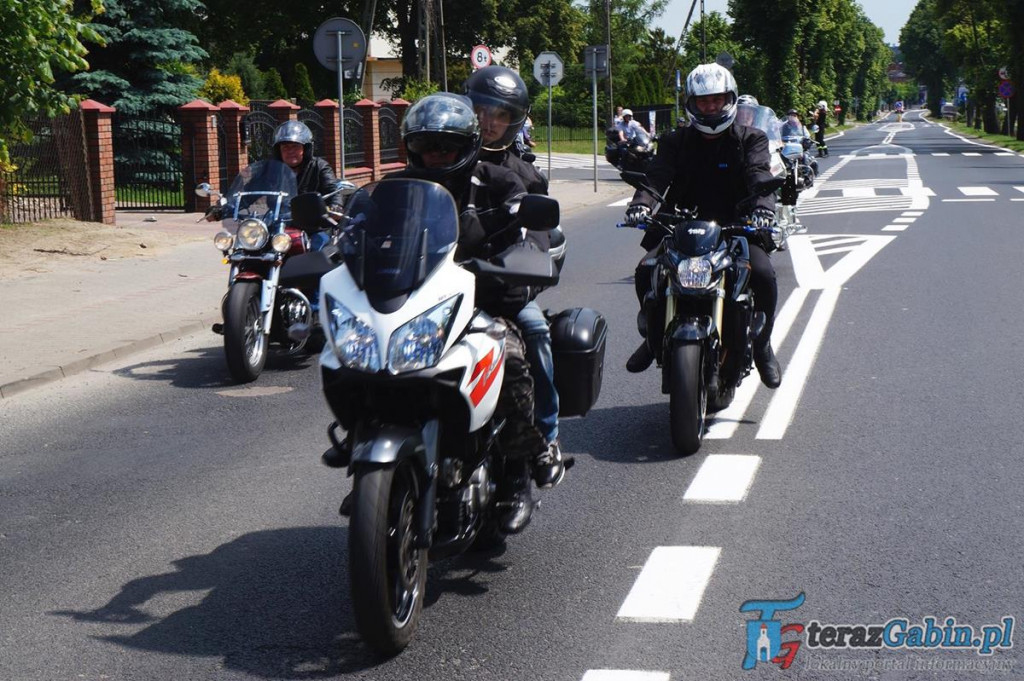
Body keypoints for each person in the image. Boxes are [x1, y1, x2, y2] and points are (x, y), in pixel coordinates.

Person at [394, 92, 555, 533]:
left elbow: (530, 232)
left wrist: (518, 259)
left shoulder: (499, 183)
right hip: (416, 309)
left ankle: (521, 469)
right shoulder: (400, 187)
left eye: (444, 147)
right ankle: (378, 460)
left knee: (515, 360)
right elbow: (366, 225)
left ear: (464, 146)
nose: (435, 155)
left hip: (485, 303)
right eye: (427, 146)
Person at [622, 62, 782, 389]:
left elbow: (759, 176)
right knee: (645, 270)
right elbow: (656, 179)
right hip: (683, 223)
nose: (710, 107)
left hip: (739, 225)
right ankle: (654, 340)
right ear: (691, 104)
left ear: (730, 100)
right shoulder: (674, 141)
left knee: (763, 274)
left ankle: (763, 344)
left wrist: (764, 209)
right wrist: (641, 205)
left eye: (716, 100)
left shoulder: (751, 139)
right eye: (703, 101)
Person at [463, 66, 566, 490]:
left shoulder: (525, 176)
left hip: (502, 290)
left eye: (499, 115)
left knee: (536, 330)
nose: (489, 121)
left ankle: (546, 436)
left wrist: (523, 264)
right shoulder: (440, 156)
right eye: (482, 110)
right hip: (442, 290)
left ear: (513, 121)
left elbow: (540, 240)